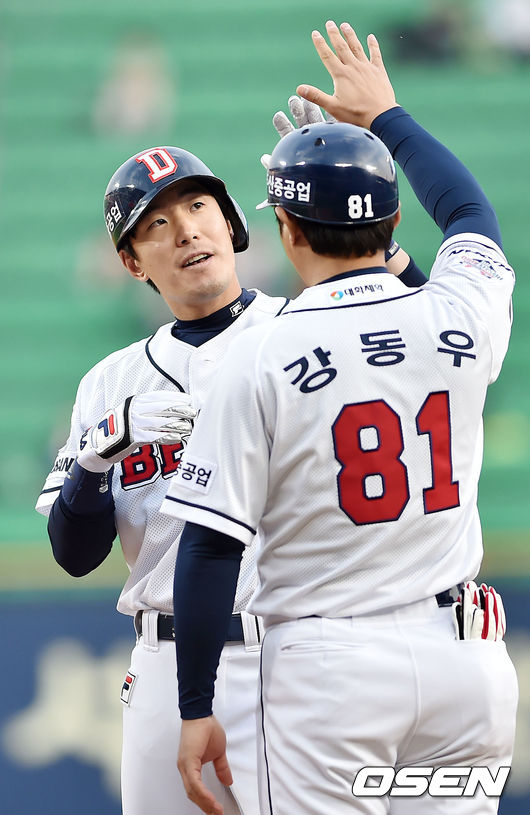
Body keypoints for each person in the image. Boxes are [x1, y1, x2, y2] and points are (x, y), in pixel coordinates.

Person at [163, 21, 518, 815]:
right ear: (393, 223)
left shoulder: (257, 353)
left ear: (287, 231)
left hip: (331, 669)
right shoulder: (456, 314)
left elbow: (211, 545)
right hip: (465, 657)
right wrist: (387, 117)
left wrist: (193, 706)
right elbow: (469, 212)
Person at [35, 132, 427, 815]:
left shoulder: (311, 328)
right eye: (157, 224)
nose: (186, 231)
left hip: (305, 653)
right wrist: (96, 456)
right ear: (131, 261)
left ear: (231, 222)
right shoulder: (109, 383)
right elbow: (74, 554)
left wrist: (360, 221)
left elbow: (430, 331)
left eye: (198, 207)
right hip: (166, 663)